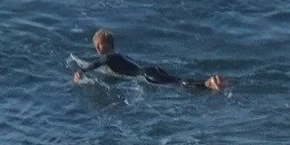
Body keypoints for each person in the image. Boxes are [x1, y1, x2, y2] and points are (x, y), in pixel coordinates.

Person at [72, 30, 226, 92]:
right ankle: (210, 83)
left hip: (146, 76)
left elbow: (98, 63)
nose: (97, 49)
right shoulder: (118, 55)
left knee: (178, 85)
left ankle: (207, 85)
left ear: (100, 45)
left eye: (97, 46)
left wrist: (81, 71)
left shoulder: (108, 57)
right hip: (151, 69)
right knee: (177, 80)